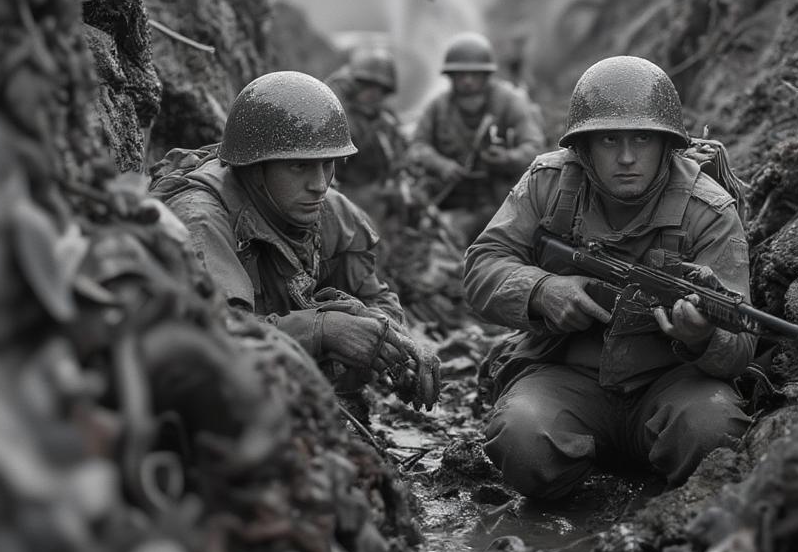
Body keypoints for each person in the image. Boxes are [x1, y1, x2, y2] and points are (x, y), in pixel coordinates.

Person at [463, 55, 752, 501]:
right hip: (565, 373)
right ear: (583, 147)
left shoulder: (708, 211)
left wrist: (702, 337)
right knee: (521, 439)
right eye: (609, 140)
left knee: (715, 434)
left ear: (668, 144)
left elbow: (740, 345)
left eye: (642, 138)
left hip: (671, 383)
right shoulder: (549, 184)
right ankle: (576, 471)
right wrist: (543, 290)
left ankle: (664, 492)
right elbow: (483, 264)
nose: (627, 157)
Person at [149, 70, 439, 420]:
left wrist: (395, 341)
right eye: (300, 166)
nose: (319, 185)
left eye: (327, 164)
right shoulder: (200, 219)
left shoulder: (327, 209)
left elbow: (373, 295)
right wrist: (322, 330)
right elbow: (209, 338)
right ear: (255, 167)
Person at [407, 31, 545, 245]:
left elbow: (534, 147)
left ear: (486, 75)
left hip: (502, 201)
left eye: (475, 74)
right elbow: (417, 146)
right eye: (461, 75)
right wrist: (441, 164)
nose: (468, 81)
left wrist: (507, 158)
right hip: (452, 201)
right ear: (451, 77)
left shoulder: (510, 103)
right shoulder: (438, 108)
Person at [325, 47, 407, 224]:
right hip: (344, 195)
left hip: (380, 194)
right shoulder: (338, 115)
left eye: (380, 88)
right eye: (366, 85)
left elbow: (401, 154)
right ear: (354, 85)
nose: (373, 93)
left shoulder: (386, 121)